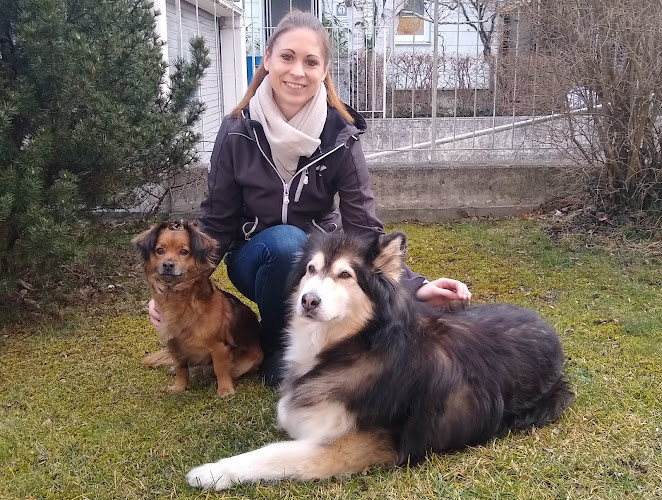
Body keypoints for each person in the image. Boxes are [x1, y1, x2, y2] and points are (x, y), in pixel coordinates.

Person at [148, 10, 471, 387]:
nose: (297, 71)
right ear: (268, 59)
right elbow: (216, 222)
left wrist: (416, 286)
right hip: (254, 260)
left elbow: (364, 226)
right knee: (286, 244)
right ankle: (276, 343)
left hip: (318, 263)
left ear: (324, 70)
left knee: (303, 249)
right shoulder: (236, 131)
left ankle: (312, 334)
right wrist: (173, 288)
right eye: (287, 57)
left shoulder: (340, 135)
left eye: (311, 62)